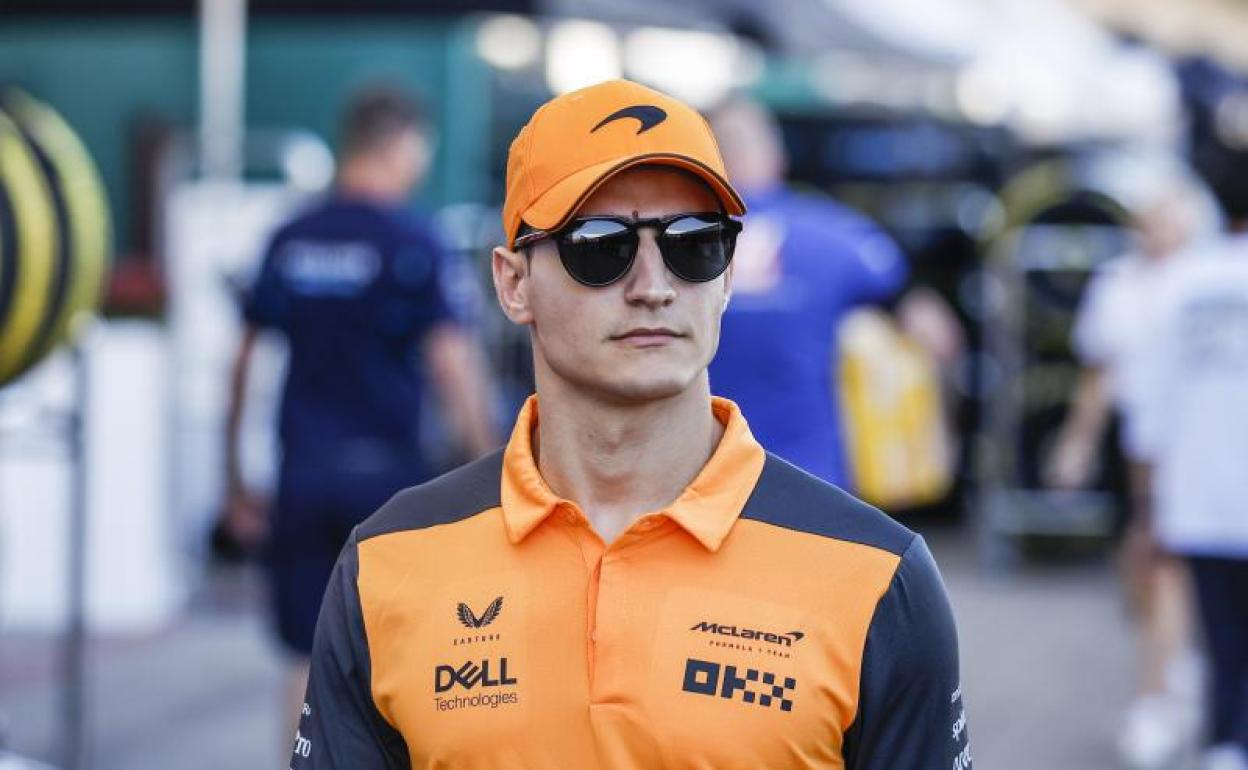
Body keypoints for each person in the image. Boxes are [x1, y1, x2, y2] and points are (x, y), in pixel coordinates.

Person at [290, 79, 970, 769]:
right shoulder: (388, 565)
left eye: (694, 244)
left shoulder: (876, 577)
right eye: (600, 246)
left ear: (727, 277)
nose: (654, 285)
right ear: (513, 284)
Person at [222, 86, 498, 735]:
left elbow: (242, 365)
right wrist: (490, 466)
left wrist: (233, 478)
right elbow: (452, 365)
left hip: (304, 473)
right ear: (401, 145)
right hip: (388, 482)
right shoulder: (412, 241)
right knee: (401, 653)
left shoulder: (291, 238)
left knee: (305, 657)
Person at [707, 98, 961, 492]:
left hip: (705, 480)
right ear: (777, 158)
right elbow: (937, 334)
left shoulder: (675, 240)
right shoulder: (836, 236)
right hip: (814, 485)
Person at [1044, 178, 1206, 768]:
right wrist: (1078, 442)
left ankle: (1156, 697)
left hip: (1191, 443)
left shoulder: (1205, 281)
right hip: (1133, 441)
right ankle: (1174, 657)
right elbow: (1101, 373)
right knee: (1139, 568)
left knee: (1164, 563)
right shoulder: (1116, 283)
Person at [1134, 199, 1248, 770]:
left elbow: (1149, 405)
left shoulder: (1181, 281)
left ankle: (1225, 740)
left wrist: (1148, 498)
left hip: (1200, 492)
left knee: (1221, 633)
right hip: (1211, 490)